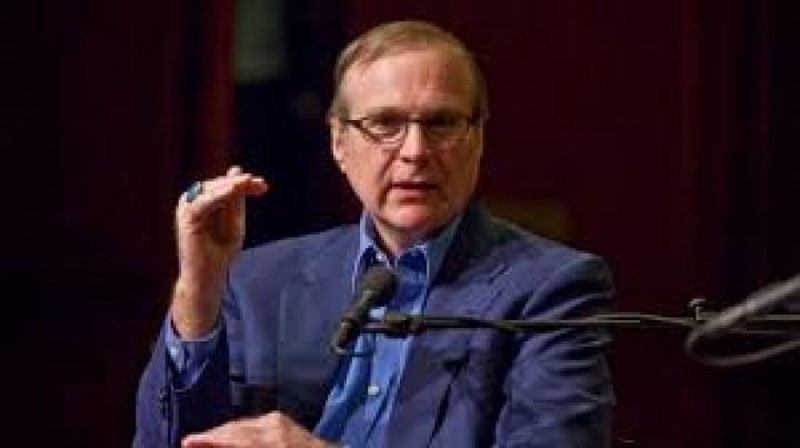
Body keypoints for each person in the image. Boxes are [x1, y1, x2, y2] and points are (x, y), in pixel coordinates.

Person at [134, 20, 614, 448]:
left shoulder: (549, 291)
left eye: (441, 123)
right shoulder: (258, 280)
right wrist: (198, 288)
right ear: (338, 142)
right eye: (385, 123)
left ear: (479, 139)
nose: (415, 151)